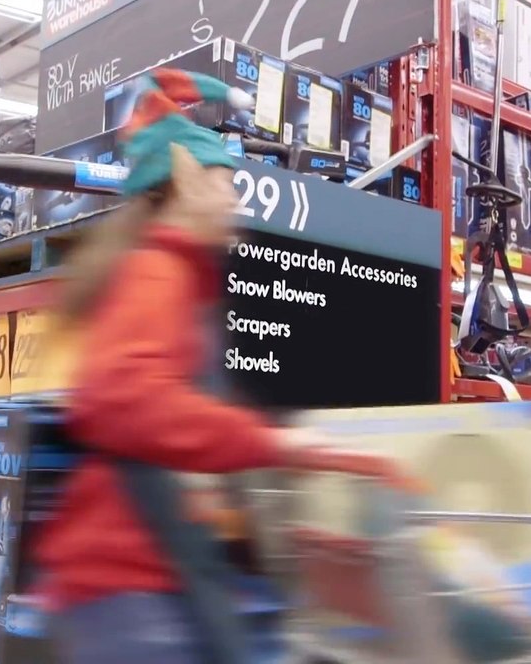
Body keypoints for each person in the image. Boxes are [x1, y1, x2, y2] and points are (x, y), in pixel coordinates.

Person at [36, 68, 392, 664]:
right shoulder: (157, 273)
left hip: (144, 581)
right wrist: (275, 445)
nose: (235, 202)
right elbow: (125, 398)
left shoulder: (176, 280)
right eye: (226, 184)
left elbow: (177, 437)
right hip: (130, 590)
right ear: (184, 176)